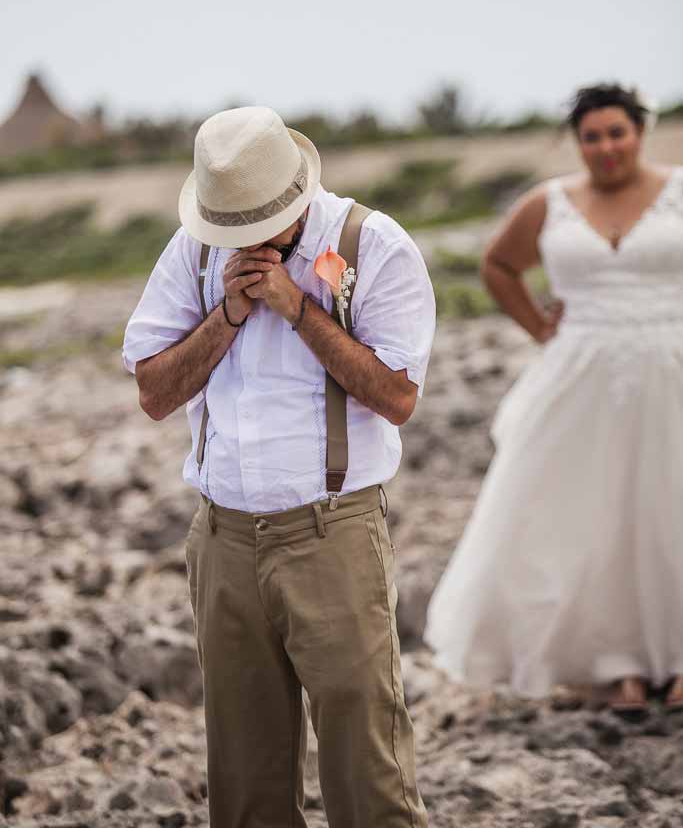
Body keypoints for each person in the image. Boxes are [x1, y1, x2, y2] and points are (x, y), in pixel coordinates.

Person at [123, 106, 435, 826]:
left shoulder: (370, 243)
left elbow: (396, 395)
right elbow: (153, 392)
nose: (243, 242)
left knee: (368, 768)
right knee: (244, 776)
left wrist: (298, 309)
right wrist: (227, 315)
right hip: (221, 538)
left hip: (333, 534)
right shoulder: (195, 251)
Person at [425, 83, 683, 714]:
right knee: (593, 516)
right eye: (592, 136)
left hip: (673, 363)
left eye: (616, 132)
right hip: (581, 375)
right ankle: (616, 663)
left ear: (640, 132)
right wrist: (538, 325)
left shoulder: (679, 190)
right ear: (578, 142)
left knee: (670, 507)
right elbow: (497, 265)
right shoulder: (550, 202)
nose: (606, 147)